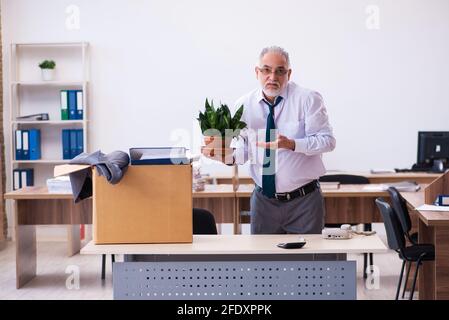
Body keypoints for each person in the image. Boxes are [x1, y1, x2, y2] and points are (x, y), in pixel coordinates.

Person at [204, 46, 336, 234]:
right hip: (263, 202)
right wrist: (222, 155)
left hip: (304, 202)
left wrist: (291, 144)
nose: (272, 77)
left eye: (280, 71)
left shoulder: (307, 99)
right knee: (263, 262)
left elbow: (327, 141)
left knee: (308, 262)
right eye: (266, 70)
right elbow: (243, 153)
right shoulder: (244, 105)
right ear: (257, 72)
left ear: (288, 74)